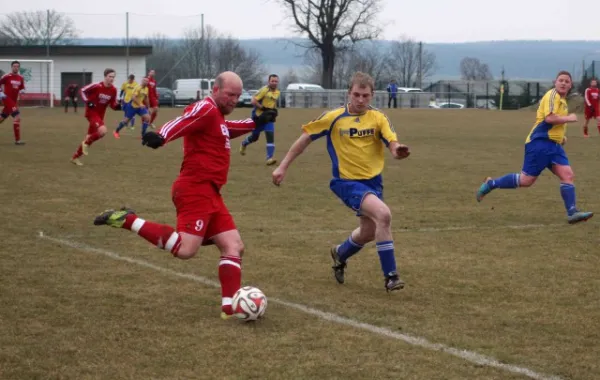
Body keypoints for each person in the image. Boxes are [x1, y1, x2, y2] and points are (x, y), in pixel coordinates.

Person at [92, 71, 277, 319]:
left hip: (210, 192)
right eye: (229, 94)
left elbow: (226, 129)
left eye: (237, 95)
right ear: (215, 90)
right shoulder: (206, 108)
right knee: (185, 250)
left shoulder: (217, 116)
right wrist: (161, 135)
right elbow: (183, 120)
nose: (234, 99)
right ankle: (127, 219)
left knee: (234, 246)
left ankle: (230, 308)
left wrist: (256, 121)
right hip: (194, 189)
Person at [272, 72, 410, 292]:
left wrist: (397, 150)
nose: (361, 100)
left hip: (374, 182)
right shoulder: (334, 117)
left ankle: (340, 253)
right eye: (356, 94)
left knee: (367, 231)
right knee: (384, 215)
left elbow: (391, 141)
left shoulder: (378, 118)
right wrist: (283, 166)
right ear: (349, 93)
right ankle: (391, 276)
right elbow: (305, 138)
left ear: (372, 95)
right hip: (347, 182)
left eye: (365, 95)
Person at [476, 70, 593, 224]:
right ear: (555, 82)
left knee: (567, 175)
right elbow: (550, 118)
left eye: (567, 81)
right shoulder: (552, 96)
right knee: (526, 180)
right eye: (561, 80)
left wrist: (561, 137)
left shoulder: (562, 102)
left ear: (571, 85)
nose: (564, 83)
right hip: (540, 143)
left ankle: (572, 212)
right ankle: (491, 184)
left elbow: (555, 123)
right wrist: (570, 118)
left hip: (553, 145)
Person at [70, 68, 121, 166]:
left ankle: (75, 157)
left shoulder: (113, 90)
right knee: (103, 131)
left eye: (113, 77)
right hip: (92, 113)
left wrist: (118, 106)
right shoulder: (97, 85)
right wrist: (88, 102)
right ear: (105, 76)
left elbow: (112, 104)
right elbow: (82, 90)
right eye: (110, 76)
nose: (111, 79)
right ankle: (85, 143)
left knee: (90, 138)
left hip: (100, 116)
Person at [239, 74, 280, 165]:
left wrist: (273, 110)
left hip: (269, 118)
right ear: (268, 82)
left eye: (276, 81)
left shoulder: (277, 92)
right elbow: (253, 101)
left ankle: (269, 158)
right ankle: (244, 143)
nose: (274, 83)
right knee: (255, 137)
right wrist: (262, 108)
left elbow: (272, 102)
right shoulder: (264, 90)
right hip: (259, 117)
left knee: (270, 136)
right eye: (272, 81)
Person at [0, 60, 25, 145]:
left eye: (17, 66)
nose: (16, 68)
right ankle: (17, 140)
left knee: (2, 118)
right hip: (6, 98)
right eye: (14, 66)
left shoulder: (20, 78)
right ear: (11, 67)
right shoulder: (6, 76)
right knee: (17, 116)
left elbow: (21, 88)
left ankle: (17, 140)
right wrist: (1, 93)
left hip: (13, 101)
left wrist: (22, 93)